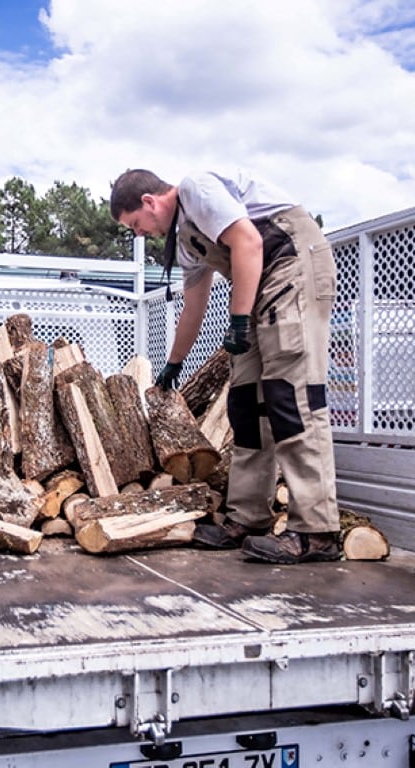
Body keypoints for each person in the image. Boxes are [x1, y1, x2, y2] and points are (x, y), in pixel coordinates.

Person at [110, 168, 340, 564]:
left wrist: (238, 320)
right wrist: (174, 363)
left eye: (135, 224)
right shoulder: (186, 241)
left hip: (293, 268)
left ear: (149, 202)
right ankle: (249, 518)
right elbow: (193, 305)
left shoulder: (196, 189)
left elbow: (249, 242)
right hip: (257, 286)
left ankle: (317, 531)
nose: (139, 233)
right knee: (245, 404)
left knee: (291, 396)